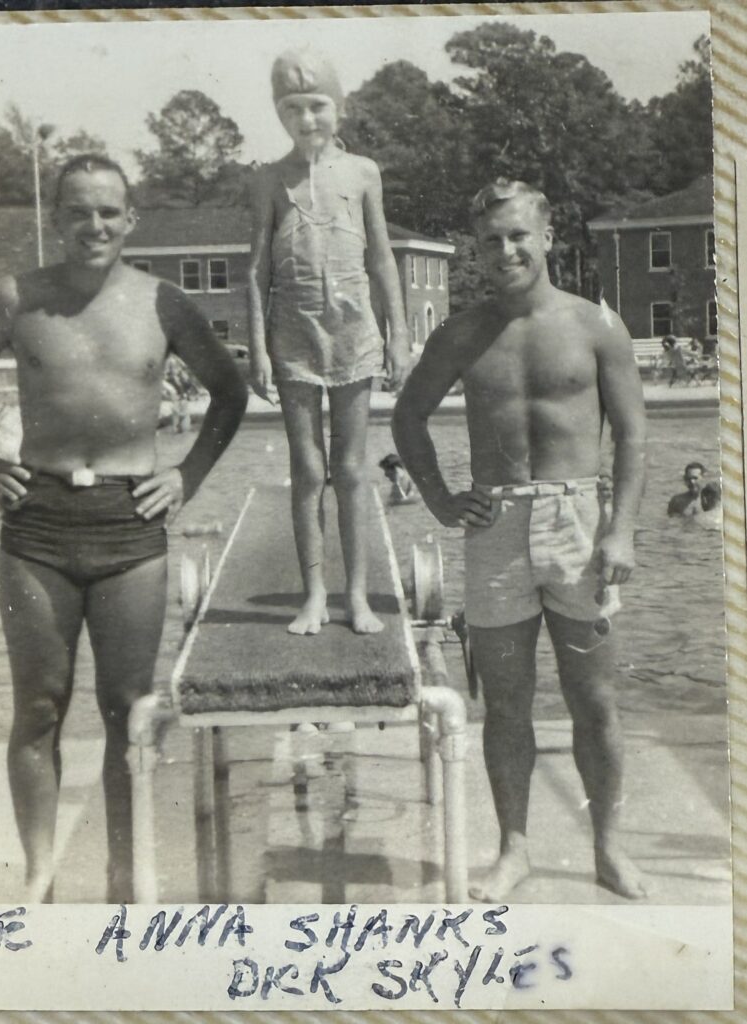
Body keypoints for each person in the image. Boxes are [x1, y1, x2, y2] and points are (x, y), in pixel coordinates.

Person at [0, 154, 247, 903]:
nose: (94, 226)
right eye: (78, 211)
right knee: (39, 705)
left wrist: (187, 474)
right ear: (57, 216)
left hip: (128, 527)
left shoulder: (162, 302)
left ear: (131, 219)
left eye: (108, 211)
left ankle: (122, 871)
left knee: (129, 710)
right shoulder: (17, 297)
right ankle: (41, 871)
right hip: (38, 523)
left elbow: (228, 390)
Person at [392, 178, 647, 902]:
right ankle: (514, 849)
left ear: (546, 237)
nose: (505, 250)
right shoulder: (463, 333)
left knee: (592, 699)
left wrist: (621, 530)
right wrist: (442, 500)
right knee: (503, 704)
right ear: (477, 248)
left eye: (517, 236)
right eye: (491, 240)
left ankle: (606, 846)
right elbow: (407, 418)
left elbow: (630, 434)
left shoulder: (596, 324)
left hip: (579, 522)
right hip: (495, 524)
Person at [247, 49, 409, 635]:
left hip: (352, 332)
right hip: (293, 335)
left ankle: (357, 597)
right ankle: (314, 594)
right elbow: (257, 270)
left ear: (338, 107)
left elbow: (384, 259)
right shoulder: (269, 179)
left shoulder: (364, 172)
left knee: (350, 466)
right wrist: (259, 348)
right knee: (308, 468)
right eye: (293, 109)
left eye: (317, 106)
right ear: (279, 113)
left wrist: (400, 335)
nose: (307, 119)